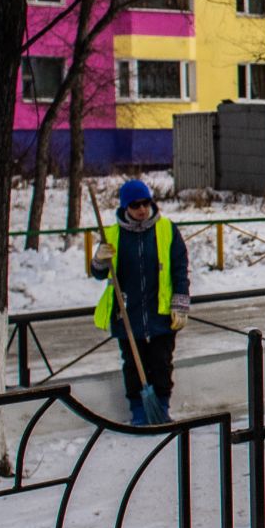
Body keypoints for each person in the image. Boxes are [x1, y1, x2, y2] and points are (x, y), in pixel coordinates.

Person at [90, 179, 190, 425]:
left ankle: (161, 409)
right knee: (134, 366)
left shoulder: (167, 230)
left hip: (161, 313)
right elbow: (100, 273)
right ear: (126, 207)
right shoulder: (113, 235)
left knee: (161, 363)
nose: (142, 209)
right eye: (136, 205)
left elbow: (180, 269)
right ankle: (139, 412)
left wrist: (180, 305)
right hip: (127, 313)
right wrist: (100, 260)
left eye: (146, 203)